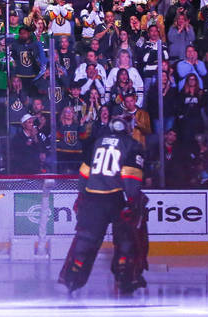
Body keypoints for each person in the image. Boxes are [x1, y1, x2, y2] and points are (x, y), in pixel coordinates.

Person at [58, 103, 147, 296]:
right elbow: (131, 179)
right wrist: (132, 201)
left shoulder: (97, 141)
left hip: (91, 196)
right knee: (125, 239)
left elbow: (83, 173)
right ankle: (125, 278)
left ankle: (73, 276)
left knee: (86, 240)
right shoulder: (132, 145)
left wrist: (82, 195)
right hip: (115, 196)